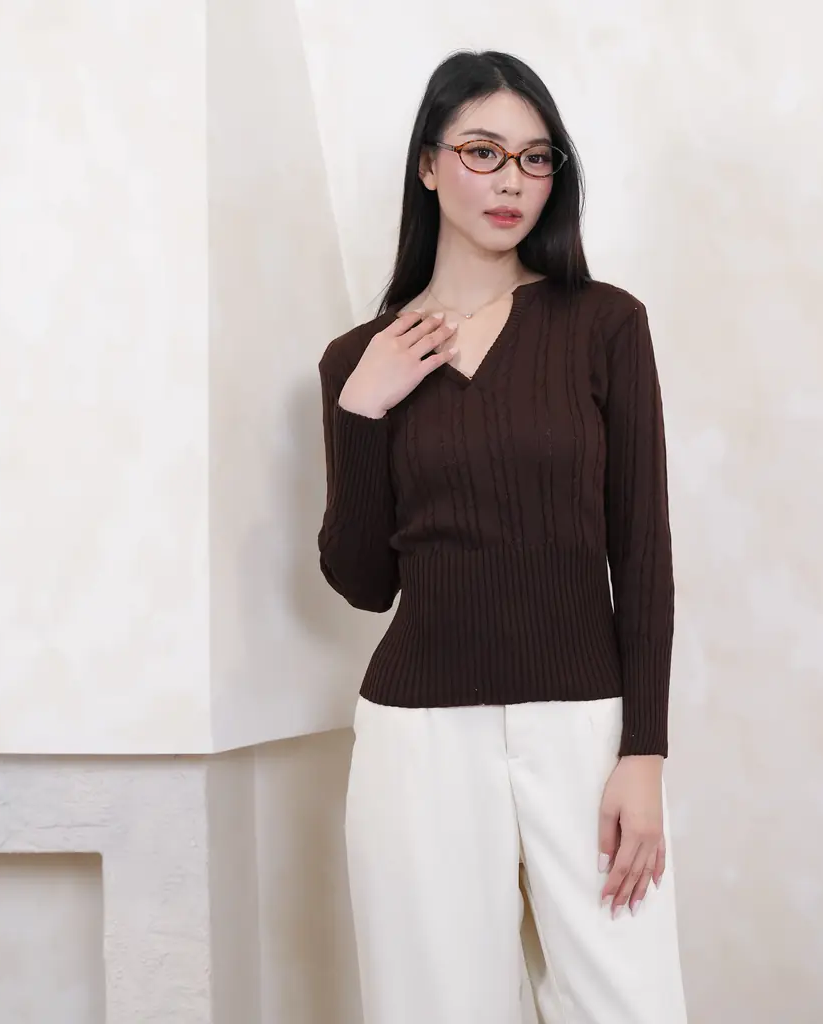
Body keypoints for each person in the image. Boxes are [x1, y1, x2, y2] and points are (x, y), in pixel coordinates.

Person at [317, 48, 687, 1024]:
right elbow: (362, 581)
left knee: (627, 1001)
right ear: (428, 165)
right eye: (482, 152)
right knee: (435, 1005)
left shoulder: (605, 325)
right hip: (417, 737)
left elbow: (642, 551)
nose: (511, 180)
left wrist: (642, 753)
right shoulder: (358, 360)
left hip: (585, 726)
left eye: (535, 157)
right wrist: (360, 413)